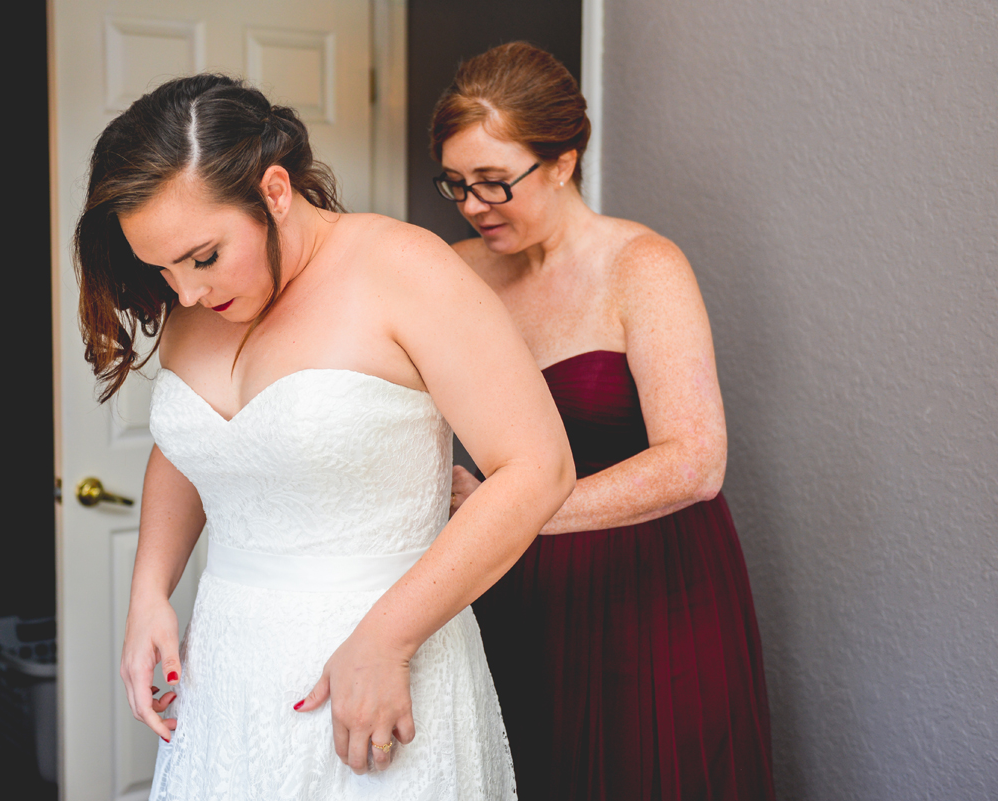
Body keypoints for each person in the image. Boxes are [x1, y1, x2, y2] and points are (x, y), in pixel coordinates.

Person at [73, 73, 574, 800]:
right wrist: (150, 589)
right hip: (231, 675)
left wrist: (388, 638)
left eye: (204, 256)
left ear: (274, 190)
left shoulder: (404, 269)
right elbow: (196, 447)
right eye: (162, 268)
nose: (183, 292)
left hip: (378, 671)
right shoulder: (197, 303)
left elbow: (538, 468)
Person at [431, 42, 776, 800]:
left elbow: (696, 460)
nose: (474, 205)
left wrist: (514, 506)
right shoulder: (454, 273)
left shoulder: (644, 267)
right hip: (511, 593)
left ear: (563, 159)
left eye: (495, 182)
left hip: (649, 592)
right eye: (457, 184)